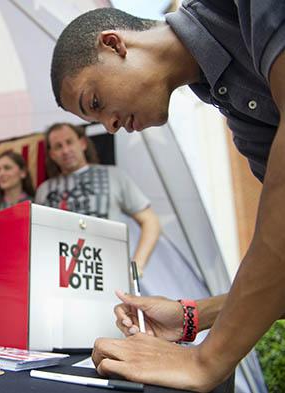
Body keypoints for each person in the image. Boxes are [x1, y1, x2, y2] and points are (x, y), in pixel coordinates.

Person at [50, 3, 285, 391]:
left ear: (113, 45)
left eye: (95, 102)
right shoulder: (240, 118)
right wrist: (193, 315)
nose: (109, 127)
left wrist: (206, 361)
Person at [35, 123, 160, 275]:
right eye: (58, 146)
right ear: (52, 154)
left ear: (82, 143)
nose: (65, 150)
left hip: (108, 275)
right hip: (58, 276)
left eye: (69, 142)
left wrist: (137, 266)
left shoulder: (115, 176)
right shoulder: (43, 190)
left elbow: (150, 221)